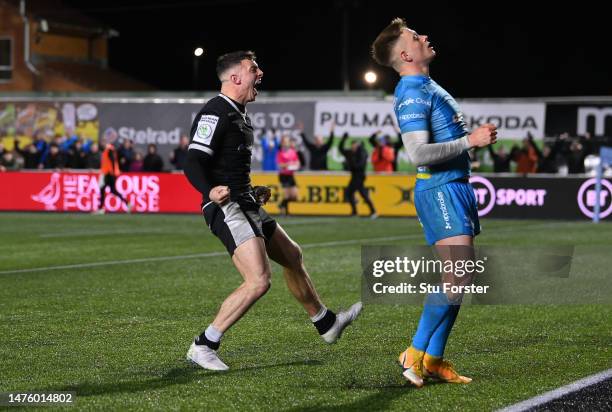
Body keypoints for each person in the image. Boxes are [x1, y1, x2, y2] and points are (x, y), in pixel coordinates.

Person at [183, 50, 362, 371]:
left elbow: (229, 166)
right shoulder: (215, 111)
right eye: (254, 69)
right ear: (235, 77)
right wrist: (211, 190)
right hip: (226, 207)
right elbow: (193, 160)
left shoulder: (239, 113)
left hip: (245, 201)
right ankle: (204, 344)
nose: (260, 73)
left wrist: (251, 191)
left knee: (292, 256)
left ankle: (326, 323)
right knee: (258, 280)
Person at [372, 18, 497, 387]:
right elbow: (417, 152)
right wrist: (470, 142)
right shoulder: (411, 91)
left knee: (461, 276)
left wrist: (470, 143)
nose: (424, 36)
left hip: (454, 186)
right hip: (440, 188)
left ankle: (434, 359)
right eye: (415, 36)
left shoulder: (425, 85)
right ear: (406, 53)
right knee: (459, 274)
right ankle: (414, 352)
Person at [339, 132, 377, 218]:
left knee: (358, 193)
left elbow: (359, 165)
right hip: (354, 176)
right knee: (351, 193)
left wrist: (350, 164)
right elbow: (341, 149)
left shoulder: (362, 153)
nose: (353, 146)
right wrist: (343, 139)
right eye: (352, 144)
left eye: (355, 144)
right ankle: (358, 212)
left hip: (359, 176)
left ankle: (372, 211)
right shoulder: (351, 153)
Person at [95, 138, 131, 214]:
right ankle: (127, 203)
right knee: (111, 190)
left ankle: (101, 208)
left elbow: (112, 162)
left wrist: (113, 173)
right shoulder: (110, 150)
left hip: (108, 174)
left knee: (103, 190)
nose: (102, 144)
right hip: (109, 173)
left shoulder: (109, 150)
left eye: (103, 142)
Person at [276, 135, 300, 215]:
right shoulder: (280, 153)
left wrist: (295, 165)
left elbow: (297, 162)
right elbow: (280, 165)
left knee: (295, 196)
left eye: (287, 142)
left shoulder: (292, 151)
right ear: (282, 143)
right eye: (285, 142)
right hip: (284, 175)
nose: (286, 143)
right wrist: (288, 164)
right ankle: (286, 212)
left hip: (290, 175)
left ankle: (281, 204)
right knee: (286, 195)